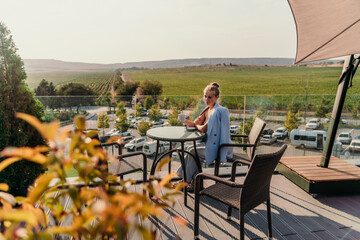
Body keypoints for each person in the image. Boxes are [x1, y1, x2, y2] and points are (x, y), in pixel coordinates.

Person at [177, 82, 233, 189]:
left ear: (217, 97)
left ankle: (186, 181)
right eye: (205, 96)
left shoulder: (218, 111)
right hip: (210, 144)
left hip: (220, 149)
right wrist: (185, 121)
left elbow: (203, 128)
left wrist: (197, 125)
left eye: (210, 97)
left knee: (193, 151)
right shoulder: (207, 109)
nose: (206, 99)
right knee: (190, 148)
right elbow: (196, 123)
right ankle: (192, 181)